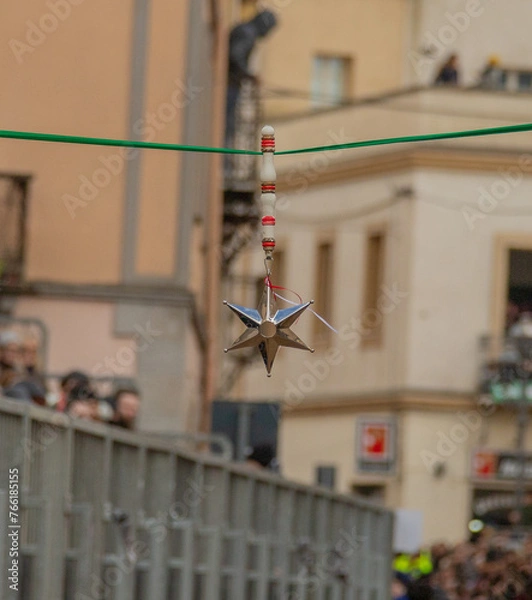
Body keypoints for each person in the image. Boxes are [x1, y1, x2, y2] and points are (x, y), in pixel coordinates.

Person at [225, 10, 278, 148]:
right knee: (227, 125)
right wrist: (250, 75)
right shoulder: (247, 33)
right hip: (229, 85)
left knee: (230, 124)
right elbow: (235, 56)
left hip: (232, 84)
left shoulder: (246, 31)